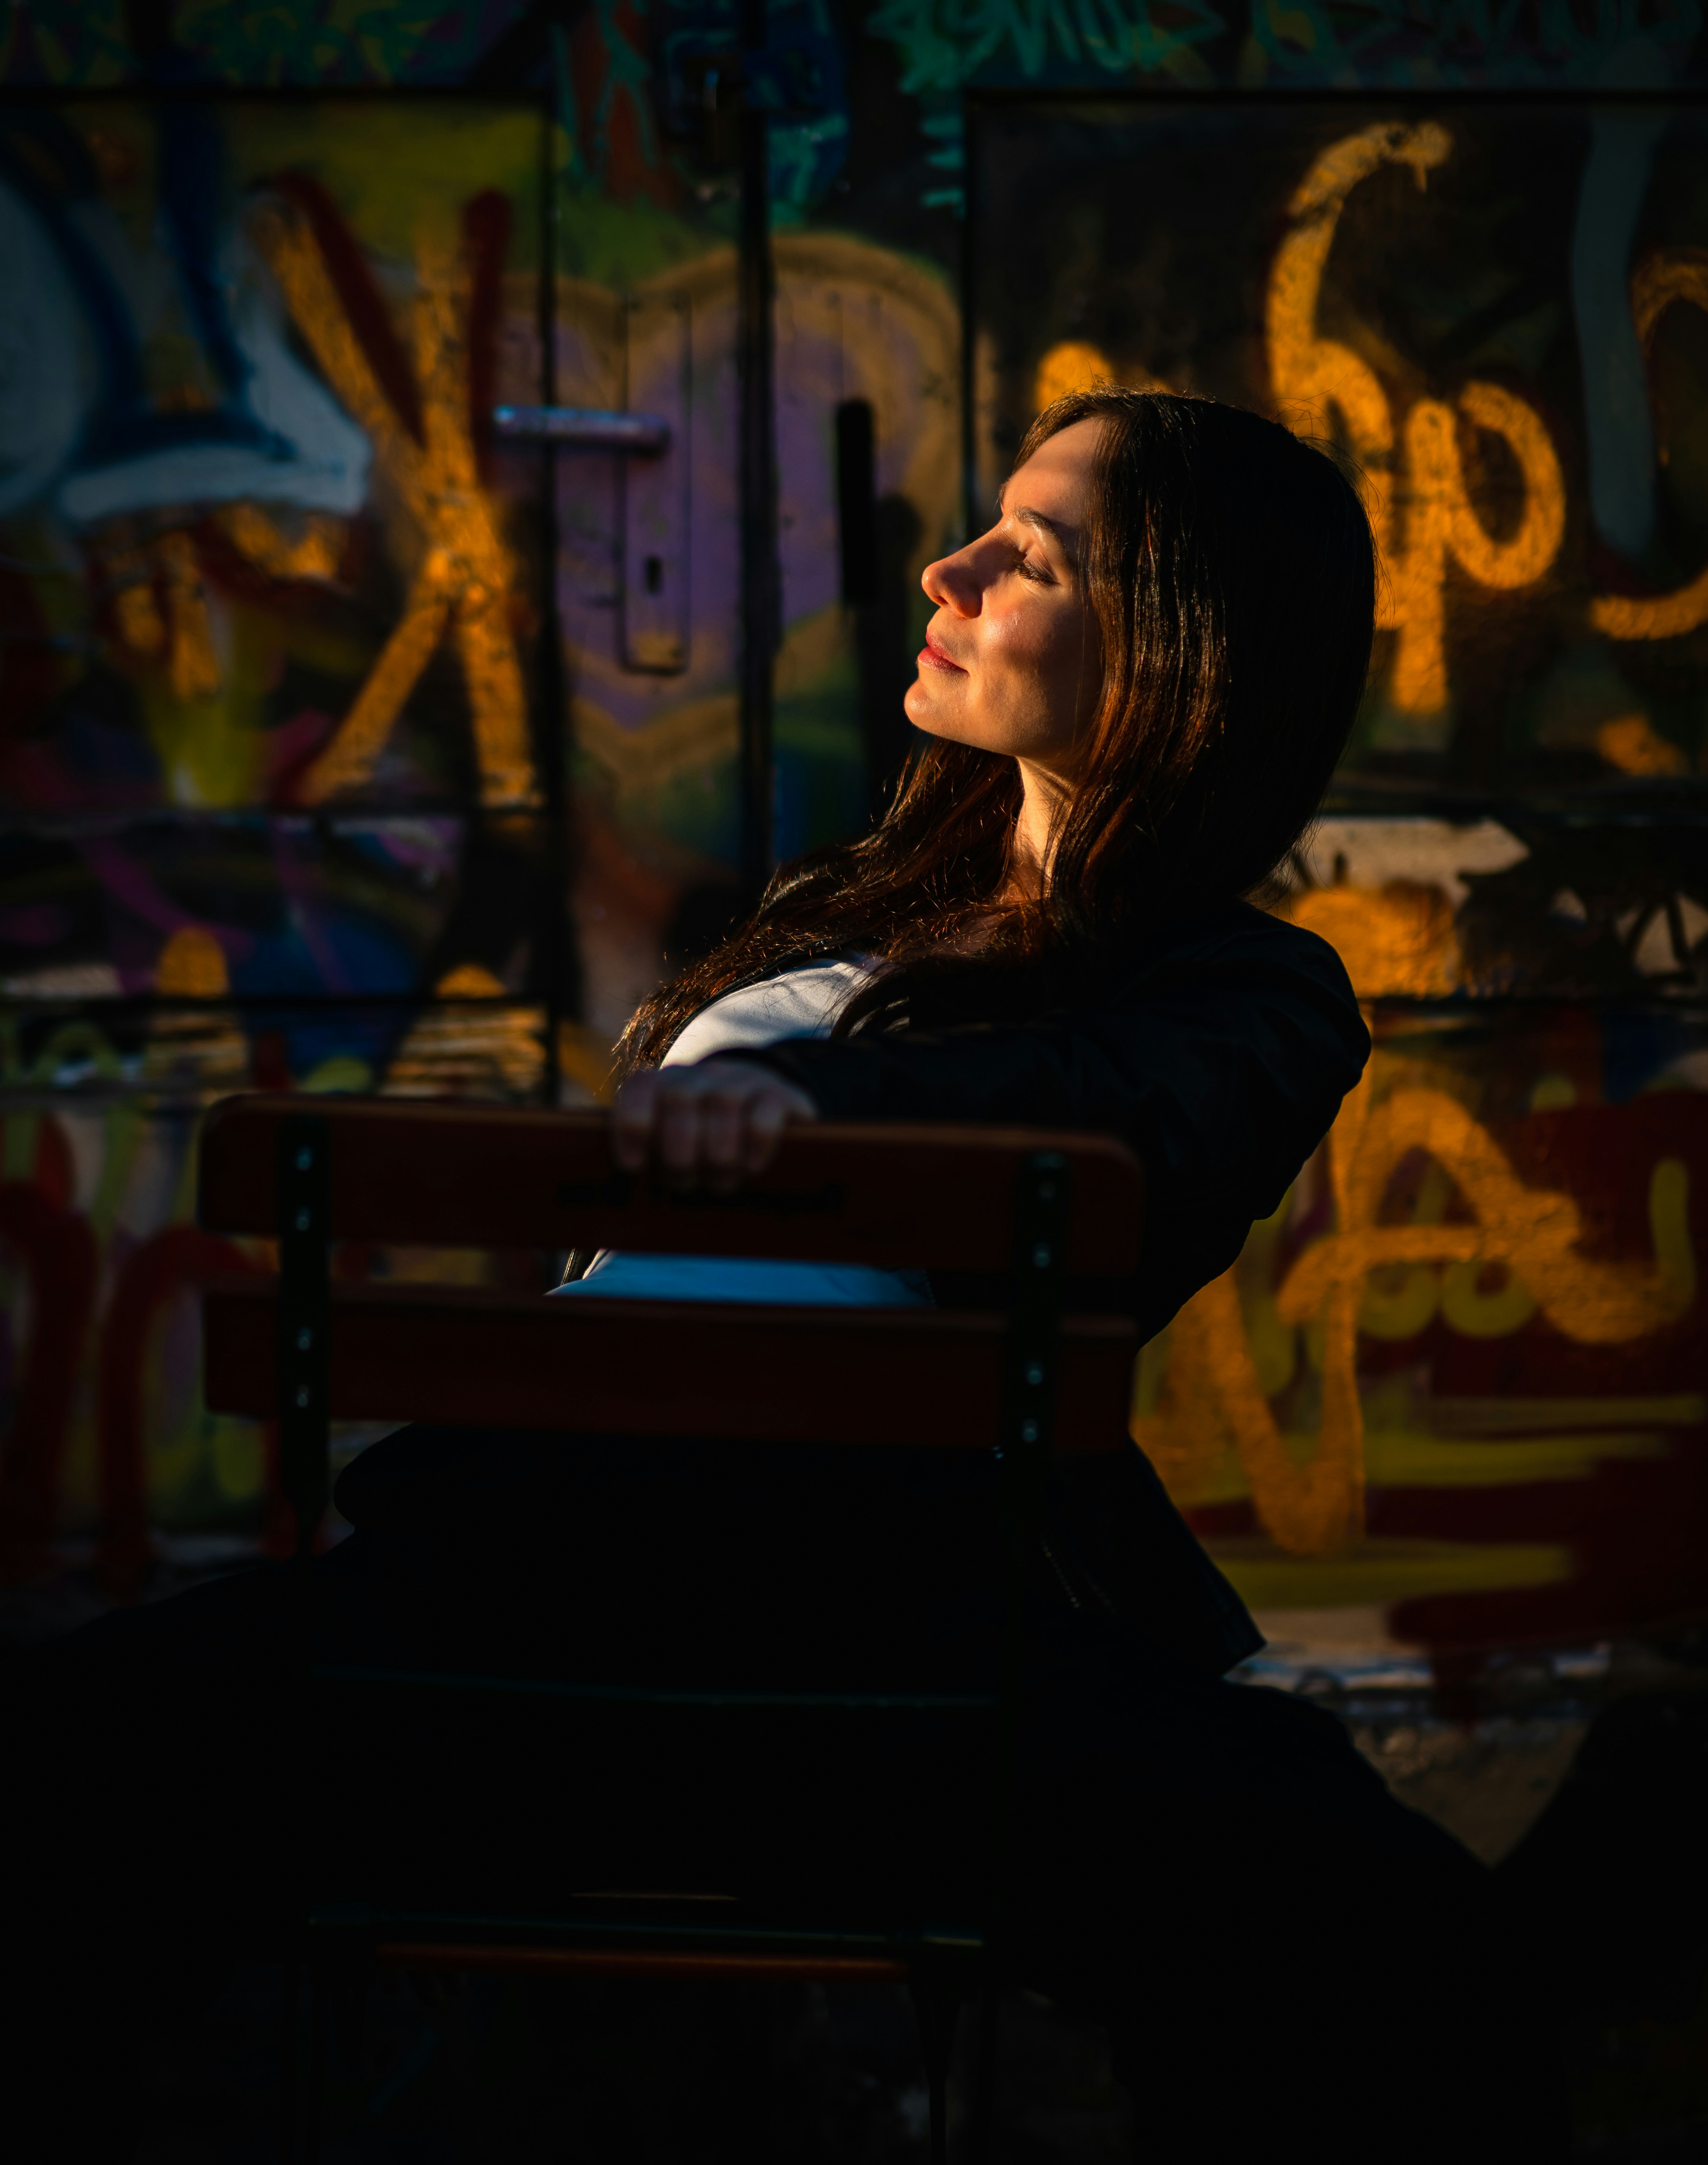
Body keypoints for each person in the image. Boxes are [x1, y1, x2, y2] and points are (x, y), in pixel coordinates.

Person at [5, 390, 1564, 2160]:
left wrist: (795, 1097)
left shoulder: (1244, 995)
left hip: (881, 1639)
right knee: (58, 1776)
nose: (946, 566)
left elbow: (1110, 1124)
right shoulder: (837, 905)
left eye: (1029, 558)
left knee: (1388, 1934)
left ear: (1177, 659)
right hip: (520, 1596)